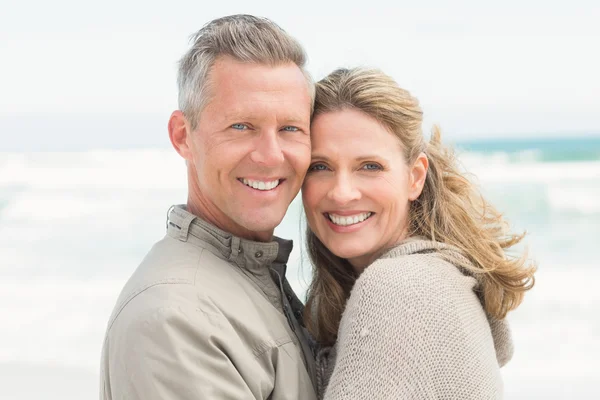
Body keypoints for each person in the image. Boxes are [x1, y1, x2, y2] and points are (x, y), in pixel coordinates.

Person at [100, 15, 318, 399]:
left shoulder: (254, 279)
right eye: (241, 126)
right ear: (183, 136)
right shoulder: (174, 319)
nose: (270, 156)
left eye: (290, 128)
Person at [302, 68, 537, 399]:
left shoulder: (399, 288)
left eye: (369, 166)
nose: (342, 193)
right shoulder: (437, 278)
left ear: (414, 178)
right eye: (320, 166)